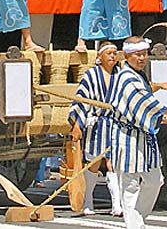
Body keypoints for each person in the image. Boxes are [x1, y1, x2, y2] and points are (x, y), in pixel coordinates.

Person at [108, 37, 167, 229]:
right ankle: (135, 225)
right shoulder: (125, 76)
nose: (142, 58)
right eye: (137, 55)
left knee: (155, 181)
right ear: (127, 56)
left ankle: (138, 219)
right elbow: (140, 99)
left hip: (145, 137)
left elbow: (144, 92)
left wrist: (159, 86)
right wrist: (163, 111)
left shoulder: (138, 75)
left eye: (144, 54)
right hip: (127, 137)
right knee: (129, 186)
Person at [69, 41, 122, 216]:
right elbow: (82, 100)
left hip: (114, 125)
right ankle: (88, 201)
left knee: (113, 164)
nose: (113, 56)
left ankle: (117, 204)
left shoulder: (120, 74)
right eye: (109, 53)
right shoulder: (91, 75)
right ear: (100, 56)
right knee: (94, 164)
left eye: (115, 53)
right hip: (96, 125)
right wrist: (77, 124)